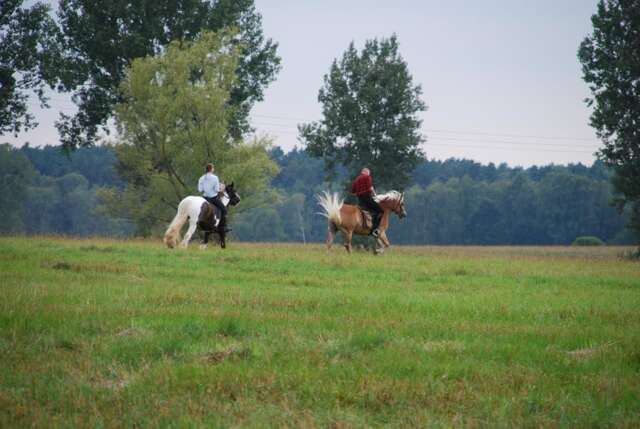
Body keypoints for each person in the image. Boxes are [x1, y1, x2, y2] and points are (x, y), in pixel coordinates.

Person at [351, 167, 383, 237]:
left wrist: (359, 193)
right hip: (367, 198)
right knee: (380, 211)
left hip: (360, 200)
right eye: (369, 173)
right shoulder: (367, 177)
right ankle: (374, 230)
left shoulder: (356, 180)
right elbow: (370, 188)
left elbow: (353, 191)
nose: (369, 174)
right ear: (366, 172)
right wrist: (375, 195)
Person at [198, 163, 229, 232]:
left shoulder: (201, 178)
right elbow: (216, 190)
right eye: (213, 168)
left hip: (204, 198)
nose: (213, 169)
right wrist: (222, 189)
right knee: (224, 210)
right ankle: (223, 227)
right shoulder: (215, 178)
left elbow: (200, 190)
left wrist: (206, 188)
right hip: (213, 198)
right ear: (211, 169)